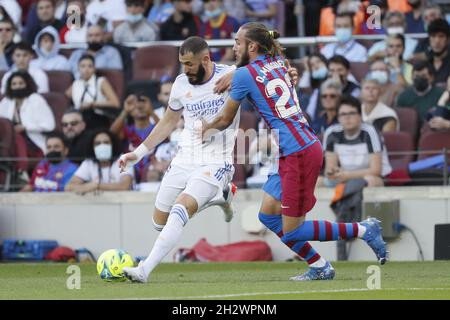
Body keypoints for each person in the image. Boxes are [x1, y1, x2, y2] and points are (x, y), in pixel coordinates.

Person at [200, 23, 387, 281]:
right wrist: (236, 71)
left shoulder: (246, 74)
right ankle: (320, 265)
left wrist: (202, 130)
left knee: (293, 231)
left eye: (237, 42)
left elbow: (224, 119)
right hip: (292, 148)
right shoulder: (277, 62)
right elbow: (267, 68)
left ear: (252, 46)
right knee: (267, 215)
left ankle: (364, 229)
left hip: (298, 150)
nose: (233, 47)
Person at [118, 36, 249, 283]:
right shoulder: (180, 84)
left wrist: (281, 72)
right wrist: (138, 153)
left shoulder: (232, 74)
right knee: (160, 222)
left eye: (189, 64)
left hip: (216, 161)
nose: (185, 69)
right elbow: (168, 122)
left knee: (181, 207)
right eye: (182, 63)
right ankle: (220, 198)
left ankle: (144, 269)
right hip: (184, 159)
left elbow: (268, 65)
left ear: (206, 59)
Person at [322, 95, 392, 188]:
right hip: (344, 178)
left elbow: (376, 170)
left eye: (352, 113)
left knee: (370, 181)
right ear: (338, 118)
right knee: (318, 182)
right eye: (343, 114)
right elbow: (330, 168)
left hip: (373, 178)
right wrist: (333, 173)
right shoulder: (331, 133)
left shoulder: (370, 132)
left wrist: (348, 175)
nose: (347, 118)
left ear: (360, 116)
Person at [0, 70, 55, 178]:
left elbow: (50, 125)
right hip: (9, 143)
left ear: (27, 84)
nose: (17, 87)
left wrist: (25, 128)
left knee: (17, 137)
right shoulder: (6, 101)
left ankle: (21, 171)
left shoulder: (36, 99)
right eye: (14, 84)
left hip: (33, 143)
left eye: (21, 83)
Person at [65, 129, 134, 194]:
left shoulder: (124, 160)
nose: (102, 146)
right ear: (92, 147)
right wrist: (87, 187)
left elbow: (124, 186)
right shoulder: (89, 163)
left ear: (113, 145)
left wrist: (96, 186)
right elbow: (68, 187)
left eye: (106, 142)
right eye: (98, 143)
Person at [110, 93, 160, 183]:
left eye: (143, 103)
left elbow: (168, 135)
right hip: (130, 175)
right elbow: (111, 134)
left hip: (154, 174)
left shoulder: (156, 128)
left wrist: (151, 111)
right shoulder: (127, 130)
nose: (140, 107)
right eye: (135, 106)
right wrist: (125, 111)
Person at [65, 54, 120, 129]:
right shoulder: (76, 84)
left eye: (90, 66)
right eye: (83, 66)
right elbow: (66, 96)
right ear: (78, 68)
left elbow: (115, 103)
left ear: (94, 68)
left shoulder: (101, 81)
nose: (86, 70)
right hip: (78, 118)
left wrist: (93, 104)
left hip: (97, 117)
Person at [426, 18, 450, 86]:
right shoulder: (424, 62)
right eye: (433, 36)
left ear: (448, 39)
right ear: (429, 39)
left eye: (441, 36)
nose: (437, 41)